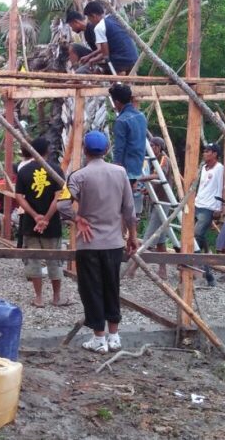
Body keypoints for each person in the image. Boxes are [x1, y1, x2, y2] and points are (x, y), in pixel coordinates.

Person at [58, 131, 138, 354]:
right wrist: (132, 236)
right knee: (112, 287)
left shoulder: (78, 176)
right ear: (107, 149)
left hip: (89, 243)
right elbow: (129, 210)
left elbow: (62, 205)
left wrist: (77, 219)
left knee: (91, 289)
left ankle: (98, 338)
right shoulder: (120, 173)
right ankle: (115, 336)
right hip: (114, 243)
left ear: (84, 150)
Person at [14, 137, 69, 308]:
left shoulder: (23, 171)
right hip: (52, 223)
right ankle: (56, 297)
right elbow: (59, 196)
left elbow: (19, 198)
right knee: (55, 259)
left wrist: (36, 216)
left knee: (33, 259)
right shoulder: (56, 170)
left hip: (30, 223)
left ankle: (38, 297)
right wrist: (46, 218)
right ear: (47, 150)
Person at [65, 1, 139, 75]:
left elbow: (105, 54)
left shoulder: (99, 27)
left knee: (94, 69)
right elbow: (103, 50)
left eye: (89, 18)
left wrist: (92, 60)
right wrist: (89, 56)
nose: (90, 21)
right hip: (135, 58)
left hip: (120, 61)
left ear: (94, 16)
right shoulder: (113, 18)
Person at [109, 83, 147, 217]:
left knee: (120, 205)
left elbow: (119, 148)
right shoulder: (141, 116)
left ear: (117, 102)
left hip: (125, 169)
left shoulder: (122, 121)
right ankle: (130, 234)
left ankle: (125, 234)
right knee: (128, 203)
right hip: (137, 166)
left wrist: (116, 168)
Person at [136, 137, 171, 272]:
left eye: (153, 146)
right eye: (150, 145)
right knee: (161, 239)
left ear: (158, 147)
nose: (151, 148)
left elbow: (158, 175)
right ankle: (163, 269)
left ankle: (132, 268)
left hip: (163, 202)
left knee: (149, 238)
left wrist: (138, 178)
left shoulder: (163, 159)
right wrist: (146, 190)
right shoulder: (152, 160)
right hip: (156, 200)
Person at [194, 143, 225, 287]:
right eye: (204, 151)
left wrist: (218, 207)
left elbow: (220, 187)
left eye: (207, 151)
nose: (204, 153)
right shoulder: (203, 168)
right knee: (199, 238)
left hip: (209, 207)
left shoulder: (219, 168)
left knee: (197, 236)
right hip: (198, 203)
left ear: (215, 154)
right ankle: (207, 270)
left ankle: (203, 270)